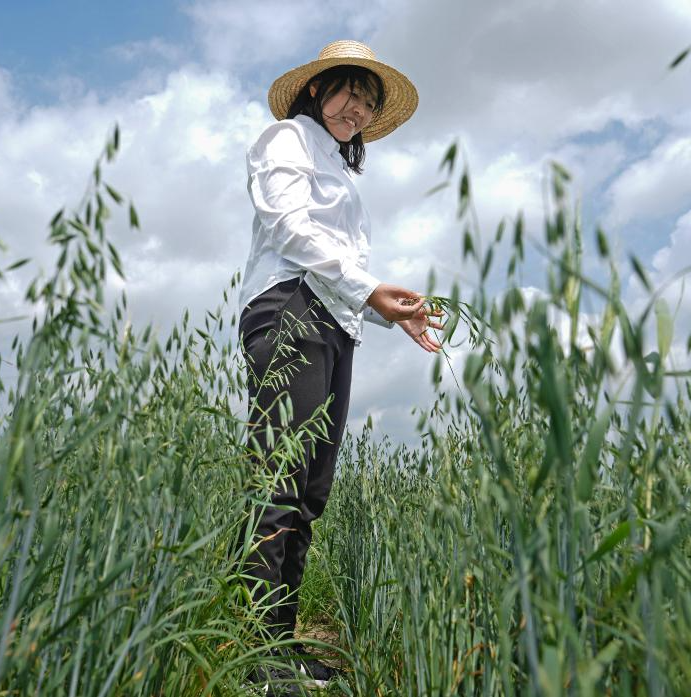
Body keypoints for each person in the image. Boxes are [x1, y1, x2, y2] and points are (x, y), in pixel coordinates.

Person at [236, 39, 442, 691]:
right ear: (318, 89)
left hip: (334, 319)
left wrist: (388, 309)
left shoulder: (344, 173)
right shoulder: (287, 141)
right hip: (288, 306)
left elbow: (345, 269)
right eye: (352, 91)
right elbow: (289, 225)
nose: (359, 109)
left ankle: (280, 640)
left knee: (311, 490)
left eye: (370, 101)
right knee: (278, 476)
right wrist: (369, 290)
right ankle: (249, 653)